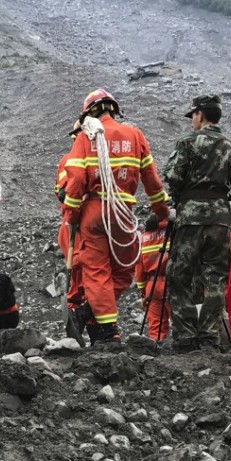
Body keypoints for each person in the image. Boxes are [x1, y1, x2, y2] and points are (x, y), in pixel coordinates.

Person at [62, 89, 170, 347]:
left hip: (94, 213)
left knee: (97, 272)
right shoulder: (135, 135)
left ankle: (105, 330)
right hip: (124, 215)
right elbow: (152, 180)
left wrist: (71, 215)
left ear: (89, 113)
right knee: (123, 271)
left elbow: (76, 179)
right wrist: (163, 213)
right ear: (113, 109)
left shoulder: (86, 136)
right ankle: (96, 319)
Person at [162, 94, 231, 351]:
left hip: (190, 219)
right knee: (215, 278)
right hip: (220, 221)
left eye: (193, 116)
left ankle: (185, 336)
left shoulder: (187, 142)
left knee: (179, 274)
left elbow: (174, 176)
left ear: (200, 114)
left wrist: (178, 200)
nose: (191, 121)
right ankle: (210, 337)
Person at [56, 119, 88, 341]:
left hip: (78, 225)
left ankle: (87, 326)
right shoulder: (71, 160)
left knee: (88, 280)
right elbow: (63, 194)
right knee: (81, 274)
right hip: (75, 226)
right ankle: (77, 322)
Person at [135, 215, 171, 340]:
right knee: (182, 321)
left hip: (152, 285)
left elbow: (139, 268)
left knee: (156, 325)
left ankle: (157, 347)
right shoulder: (175, 233)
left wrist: (142, 292)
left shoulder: (144, 237)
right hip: (173, 282)